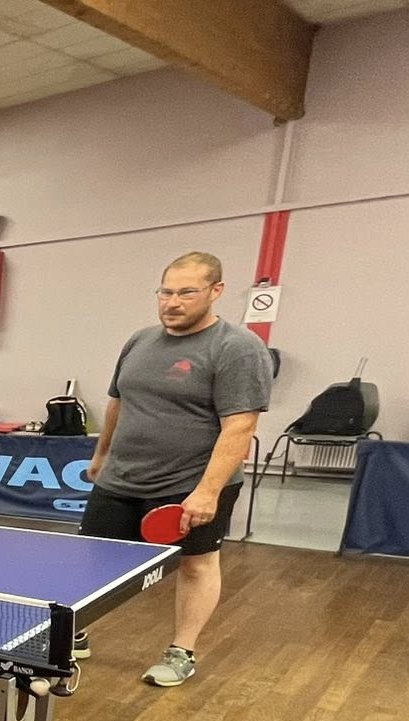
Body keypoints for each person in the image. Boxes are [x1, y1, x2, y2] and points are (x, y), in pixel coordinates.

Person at [80, 251, 269, 688]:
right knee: (91, 558)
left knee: (195, 565)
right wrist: (102, 455)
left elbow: (240, 425)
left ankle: (181, 650)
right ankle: (74, 635)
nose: (173, 302)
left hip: (189, 483)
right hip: (122, 475)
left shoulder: (237, 348)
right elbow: (119, 402)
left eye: (187, 292)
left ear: (215, 291)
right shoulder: (139, 341)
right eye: (166, 292)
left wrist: (207, 491)